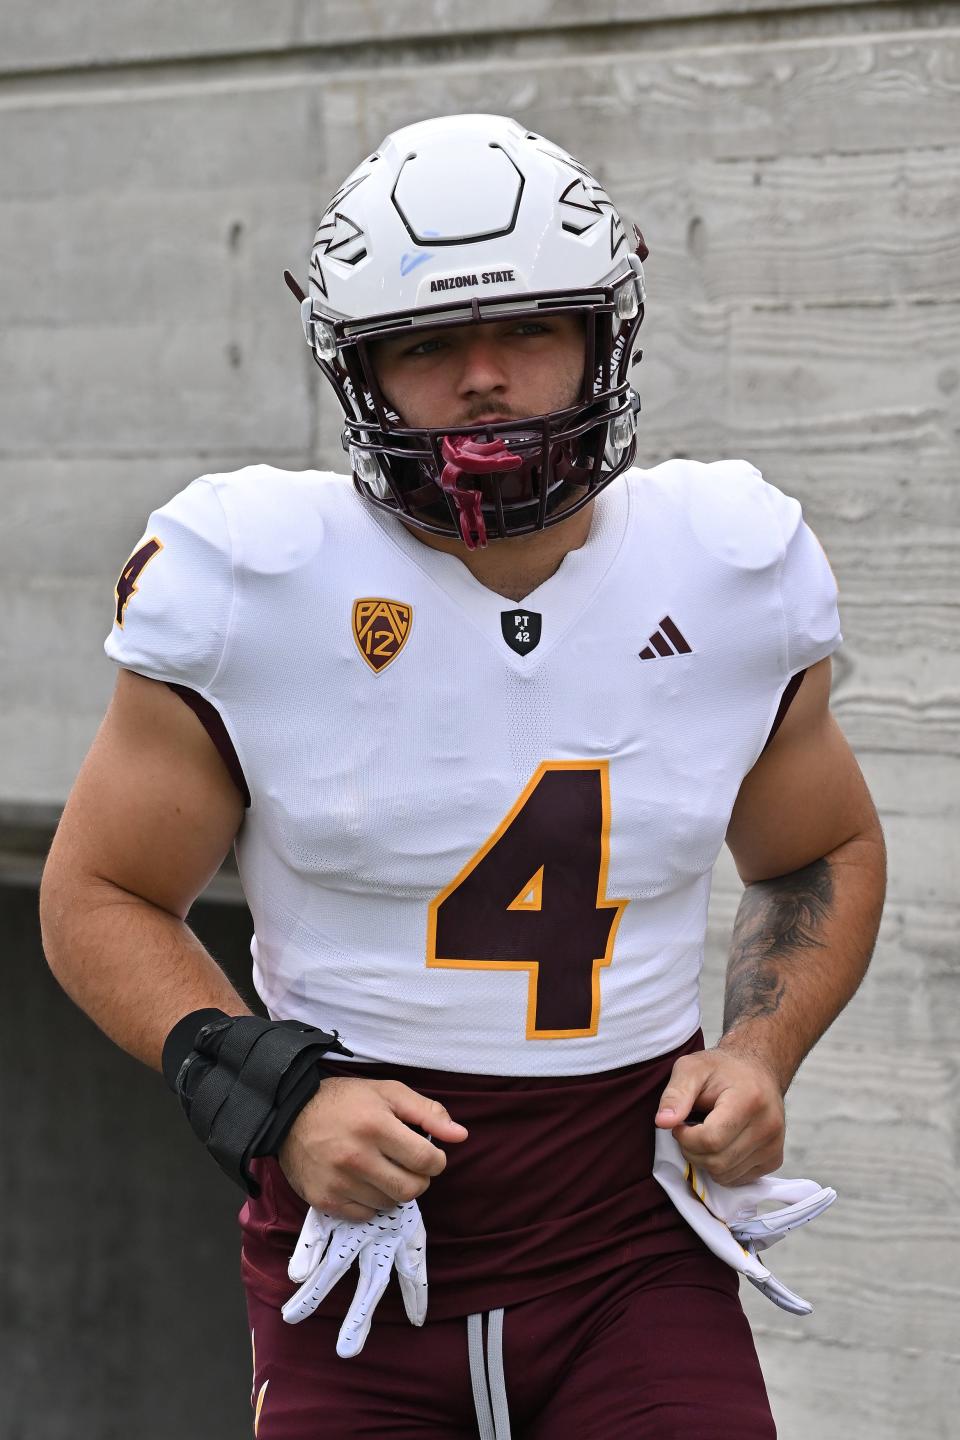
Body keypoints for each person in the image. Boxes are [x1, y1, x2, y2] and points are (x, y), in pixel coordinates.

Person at [40, 114, 886, 1439]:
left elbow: (816, 850)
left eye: (531, 331)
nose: (485, 380)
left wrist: (765, 1049)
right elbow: (96, 893)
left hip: (631, 1248)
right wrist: (276, 1094)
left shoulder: (729, 566)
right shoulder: (249, 578)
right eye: (429, 343)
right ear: (358, 366)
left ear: (607, 338)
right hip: (360, 1257)